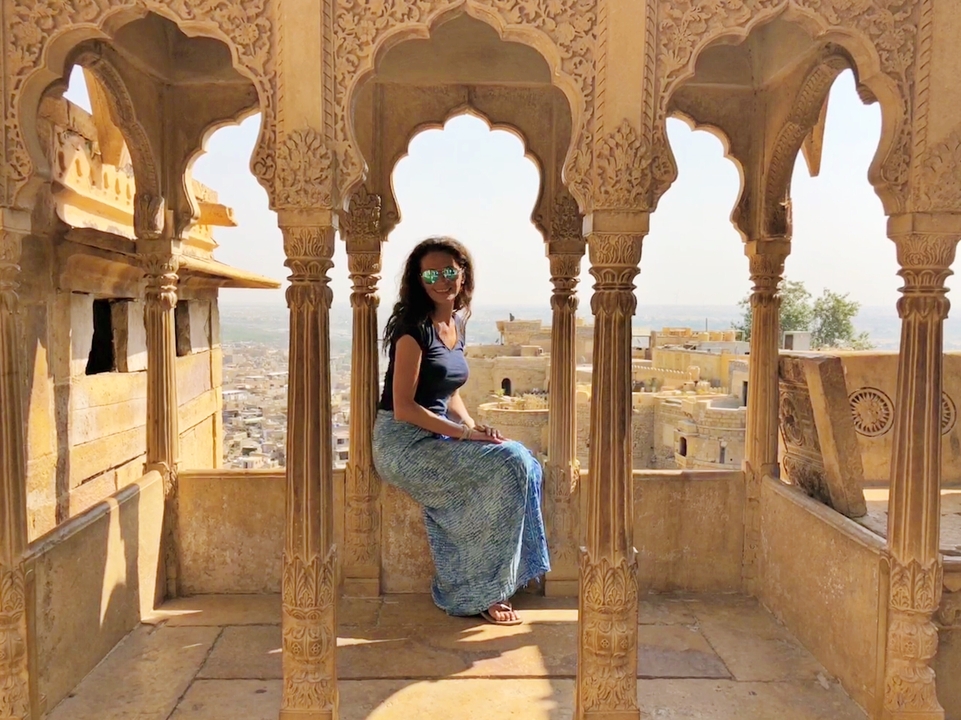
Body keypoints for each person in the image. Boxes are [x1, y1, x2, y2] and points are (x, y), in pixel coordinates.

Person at [372, 236, 550, 625]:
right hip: (403, 443)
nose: (441, 280)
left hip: (438, 435)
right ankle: (479, 591)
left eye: (448, 271)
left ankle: (502, 580)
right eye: (431, 273)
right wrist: (464, 436)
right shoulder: (413, 329)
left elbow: (448, 391)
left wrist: (471, 425)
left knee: (527, 463)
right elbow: (404, 408)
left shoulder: (455, 323)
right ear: (418, 280)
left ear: (462, 274)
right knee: (511, 464)